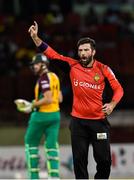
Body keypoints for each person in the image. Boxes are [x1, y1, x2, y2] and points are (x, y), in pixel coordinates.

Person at [28, 21, 124, 179]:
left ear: (93, 52)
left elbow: (119, 89)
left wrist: (112, 104)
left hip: (98, 121)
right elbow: (52, 54)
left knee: (104, 161)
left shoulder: (104, 69)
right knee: (79, 161)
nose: (83, 53)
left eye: (86, 50)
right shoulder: (72, 66)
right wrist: (35, 38)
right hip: (78, 122)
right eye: (80, 50)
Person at [24, 53, 63, 179]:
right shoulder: (55, 77)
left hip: (41, 116)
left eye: (36, 64)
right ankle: (54, 177)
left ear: (43, 64)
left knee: (30, 144)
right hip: (55, 116)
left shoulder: (43, 78)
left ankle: (34, 177)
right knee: (51, 147)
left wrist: (32, 105)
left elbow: (48, 98)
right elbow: (60, 98)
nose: (34, 67)